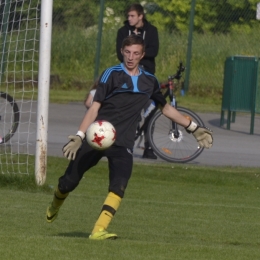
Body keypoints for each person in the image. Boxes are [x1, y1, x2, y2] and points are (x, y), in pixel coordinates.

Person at [46, 35, 213, 240]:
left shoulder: (149, 80)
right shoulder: (111, 74)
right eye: (127, 52)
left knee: (119, 185)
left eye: (135, 53)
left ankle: (98, 230)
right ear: (122, 52)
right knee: (68, 183)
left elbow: (166, 108)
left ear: (142, 55)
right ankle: (56, 202)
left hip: (123, 142)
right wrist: (80, 136)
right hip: (97, 137)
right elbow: (94, 108)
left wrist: (193, 127)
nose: (131, 57)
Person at [116, 3, 159, 159]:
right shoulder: (123, 31)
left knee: (151, 109)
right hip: (127, 73)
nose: (129, 19)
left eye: (132, 16)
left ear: (141, 16)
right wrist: (135, 54)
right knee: (126, 108)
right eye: (128, 16)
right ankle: (122, 144)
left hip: (146, 73)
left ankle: (149, 147)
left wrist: (139, 49)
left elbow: (154, 51)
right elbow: (120, 54)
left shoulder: (151, 31)